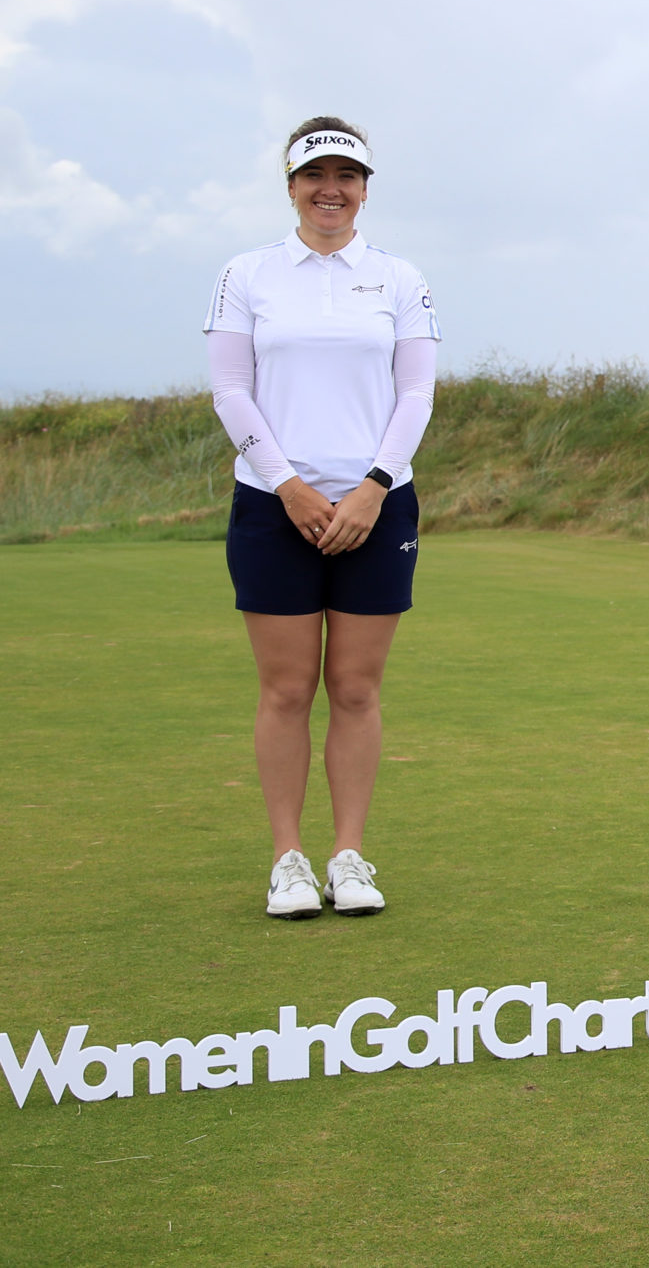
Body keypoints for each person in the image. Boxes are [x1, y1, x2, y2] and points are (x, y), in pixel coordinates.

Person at [204, 118, 439, 920]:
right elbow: (231, 390)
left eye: (346, 175)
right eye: (314, 175)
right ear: (291, 186)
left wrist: (373, 486)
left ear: (365, 188)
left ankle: (347, 855)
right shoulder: (247, 273)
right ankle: (288, 861)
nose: (329, 189)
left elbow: (415, 394)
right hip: (275, 507)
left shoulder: (399, 277)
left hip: (379, 505)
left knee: (356, 688)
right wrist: (290, 486)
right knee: (286, 689)